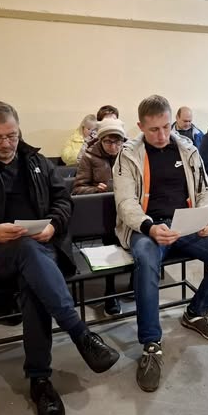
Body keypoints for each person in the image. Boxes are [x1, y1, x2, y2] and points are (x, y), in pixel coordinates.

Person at [0, 101, 119, 415]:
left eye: (12, 135)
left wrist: (53, 225)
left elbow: (63, 200)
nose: (6, 144)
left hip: (42, 248)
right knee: (26, 252)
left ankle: (40, 381)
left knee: (33, 283)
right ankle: (80, 334)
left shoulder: (35, 160)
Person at [113, 95, 208, 393]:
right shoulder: (128, 155)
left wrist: (207, 216)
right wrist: (149, 227)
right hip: (147, 227)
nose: (162, 135)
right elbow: (126, 203)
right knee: (147, 262)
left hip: (186, 223)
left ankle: (195, 312)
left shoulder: (187, 148)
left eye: (166, 127)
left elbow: (205, 190)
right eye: (153, 129)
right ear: (140, 126)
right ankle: (151, 343)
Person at [73, 118, 126, 315]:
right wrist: (96, 189)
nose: (113, 146)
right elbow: (77, 189)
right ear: (100, 140)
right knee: (111, 242)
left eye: (117, 142)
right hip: (103, 212)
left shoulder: (128, 154)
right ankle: (110, 292)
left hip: (127, 209)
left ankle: (134, 282)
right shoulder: (89, 156)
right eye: (108, 142)